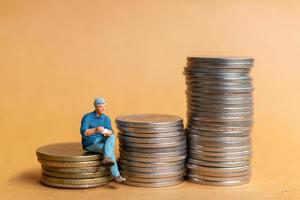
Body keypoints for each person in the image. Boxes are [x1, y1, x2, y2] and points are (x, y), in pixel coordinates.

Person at [80, 97, 126, 183]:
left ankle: (107, 158)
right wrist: (95, 130)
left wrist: (108, 132)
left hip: (102, 139)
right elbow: (84, 132)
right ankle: (116, 175)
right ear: (96, 107)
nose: (103, 108)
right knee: (109, 151)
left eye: (104, 106)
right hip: (90, 143)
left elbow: (111, 130)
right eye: (101, 107)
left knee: (112, 136)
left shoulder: (106, 118)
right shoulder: (87, 117)